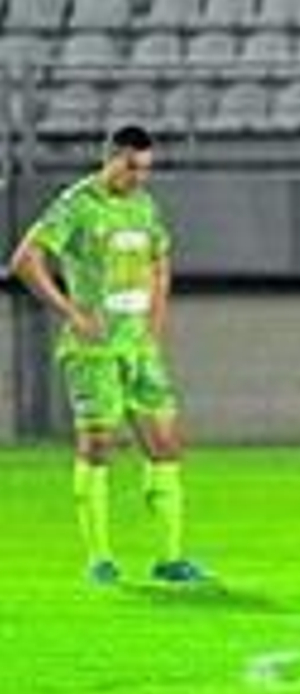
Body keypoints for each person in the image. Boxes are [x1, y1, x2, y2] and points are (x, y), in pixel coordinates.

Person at [9, 125, 207, 585]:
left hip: (139, 347)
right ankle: (100, 559)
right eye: (133, 167)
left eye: (146, 169)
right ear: (111, 158)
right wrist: (70, 311)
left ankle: (171, 557)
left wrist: (156, 322)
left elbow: (160, 260)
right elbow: (25, 259)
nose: (140, 177)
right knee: (97, 447)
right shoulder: (78, 204)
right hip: (94, 351)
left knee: (166, 444)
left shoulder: (143, 206)